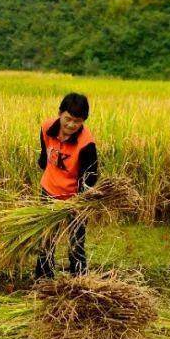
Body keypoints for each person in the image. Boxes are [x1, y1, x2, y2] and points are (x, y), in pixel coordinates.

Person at [35, 93, 99, 279]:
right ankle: (43, 278)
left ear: (83, 121)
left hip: (75, 198)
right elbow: (44, 155)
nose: (71, 125)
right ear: (60, 113)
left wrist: (78, 203)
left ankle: (79, 280)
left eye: (77, 121)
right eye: (68, 119)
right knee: (46, 238)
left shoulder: (86, 144)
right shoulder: (47, 127)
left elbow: (90, 177)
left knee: (76, 241)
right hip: (48, 191)